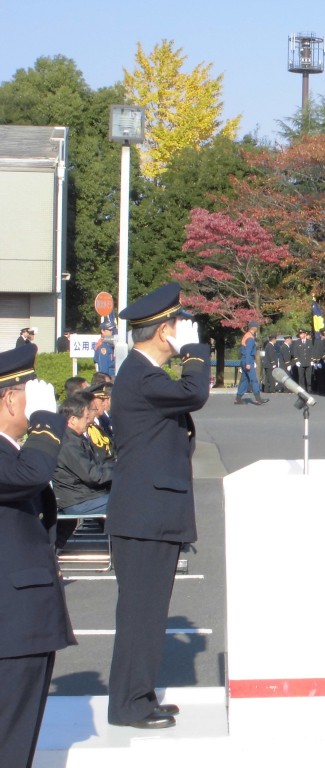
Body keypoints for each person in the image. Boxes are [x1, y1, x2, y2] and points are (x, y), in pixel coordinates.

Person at [106, 282, 210, 728]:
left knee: (148, 612)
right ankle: (129, 703)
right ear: (165, 331)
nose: (184, 333)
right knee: (140, 613)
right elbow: (195, 393)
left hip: (149, 511)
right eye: (179, 326)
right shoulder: (142, 375)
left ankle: (139, 694)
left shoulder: (141, 375)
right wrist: (196, 352)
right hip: (145, 513)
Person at [0, 345, 75, 766]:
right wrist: (47, 423)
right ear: (10, 398)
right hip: (10, 625)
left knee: (19, 735)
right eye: (30, 393)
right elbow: (31, 475)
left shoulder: (12, 451)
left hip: (20, 621)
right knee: (10, 739)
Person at [53, 390, 115, 547]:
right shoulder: (69, 443)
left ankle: (120, 544)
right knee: (127, 499)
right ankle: (128, 546)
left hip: (82, 495)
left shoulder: (75, 438)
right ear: (73, 419)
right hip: (78, 500)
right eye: (86, 418)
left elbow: (97, 465)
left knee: (123, 494)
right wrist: (121, 470)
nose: (89, 421)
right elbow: (94, 475)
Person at [235, 321, 268, 405]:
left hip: (244, 359)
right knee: (254, 379)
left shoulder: (246, 336)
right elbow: (248, 351)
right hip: (248, 360)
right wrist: (248, 363)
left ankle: (238, 398)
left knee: (245, 380)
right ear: (254, 328)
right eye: (257, 327)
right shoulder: (250, 338)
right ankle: (258, 398)